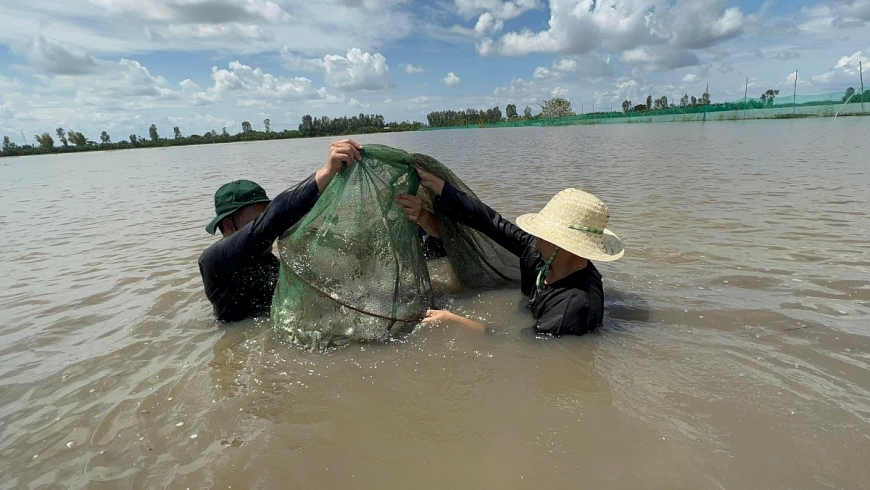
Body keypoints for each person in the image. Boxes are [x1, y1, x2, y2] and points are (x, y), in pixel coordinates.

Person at [395, 167, 624, 336]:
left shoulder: (573, 306)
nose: (536, 239)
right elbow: (492, 223)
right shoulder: (541, 254)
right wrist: (439, 186)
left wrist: (456, 321)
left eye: (546, 235)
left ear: (569, 248)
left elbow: (522, 343)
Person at [199, 139, 363, 322]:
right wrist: (327, 172)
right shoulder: (213, 262)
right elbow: (274, 219)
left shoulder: (268, 262)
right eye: (257, 219)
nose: (270, 231)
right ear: (229, 225)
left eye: (264, 215)